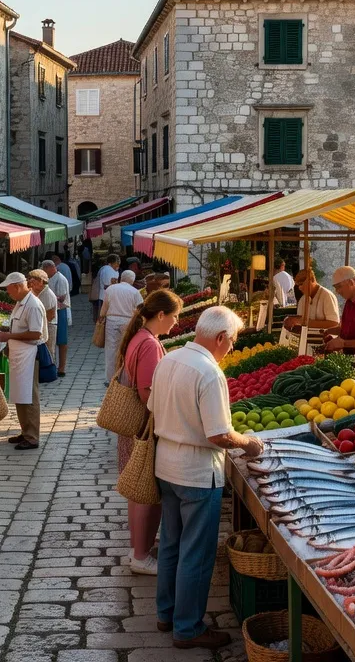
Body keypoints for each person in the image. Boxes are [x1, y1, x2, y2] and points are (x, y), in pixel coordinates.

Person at [150, 306, 265, 649]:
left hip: (166, 465)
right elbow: (220, 435)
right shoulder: (209, 372)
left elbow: (153, 407)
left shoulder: (170, 359)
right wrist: (250, 444)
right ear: (221, 338)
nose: (231, 348)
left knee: (171, 544)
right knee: (196, 554)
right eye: (232, 342)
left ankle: (166, 613)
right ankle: (187, 628)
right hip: (197, 472)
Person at [114, 289, 181, 575]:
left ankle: (138, 546)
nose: (176, 323)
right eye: (175, 317)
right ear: (161, 315)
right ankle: (141, 555)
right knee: (146, 491)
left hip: (133, 426)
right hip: (145, 424)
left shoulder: (139, 337)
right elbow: (147, 392)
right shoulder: (150, 344)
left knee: (138, 488)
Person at [0, 273, 45, 450]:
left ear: (17, 286)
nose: (9, 294)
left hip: (29, 355)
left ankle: (32, 436)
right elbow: (19, 327)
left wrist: (9, 335)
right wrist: (8, 331)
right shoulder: (20, 303)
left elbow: (35, 334)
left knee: (29, 396)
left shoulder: (32, 305)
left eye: (9, 290)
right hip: (19, 354)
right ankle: (25, 431)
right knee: (20, 394)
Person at [101, 269, 144, 381]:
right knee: (125, 348)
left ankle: (110, 378)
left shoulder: (111, 289)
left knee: (111, 349)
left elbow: (105, 306)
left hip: (112, 320)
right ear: (133, 280)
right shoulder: (135, 292)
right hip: (127, 321)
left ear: (121, 277)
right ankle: (124, 377)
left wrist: (101, 318)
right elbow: (140, 309)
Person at [282, 268, 341, 334]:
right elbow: (300, 321)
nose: (300, 288)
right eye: (298, 285)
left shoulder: (327, 296)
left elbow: (334, 323)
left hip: (325, 339)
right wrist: (291, 320)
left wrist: (305, 323)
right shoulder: (303, 299)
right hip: (306, 338)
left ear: (312, 280)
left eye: (301, 284)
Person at [45, 259, 71, 376]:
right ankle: (52, 364)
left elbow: (61, 297)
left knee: (61, 340)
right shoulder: (50, 278)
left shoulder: (60, 279)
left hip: (60, 311)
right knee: (51, 339)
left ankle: (62, 367)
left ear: (51, 268)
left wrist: (50, 296)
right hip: (52, 309)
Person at [29, 269, 58, 367]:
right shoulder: (37, 292)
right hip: (41, 326)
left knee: (48, 352)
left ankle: (49, 370)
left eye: (33, 281)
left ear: (41, 282)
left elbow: (51, 315)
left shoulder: (47, 294)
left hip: (48, 326)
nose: (31, 284)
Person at [93, 254, 121, 321]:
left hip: (108, 297)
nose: (118, 264)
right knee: (103, 317)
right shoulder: (107, 269)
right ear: (111, 263)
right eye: (117, 262)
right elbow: (106, 285)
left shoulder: (113, 270)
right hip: (104, 297)